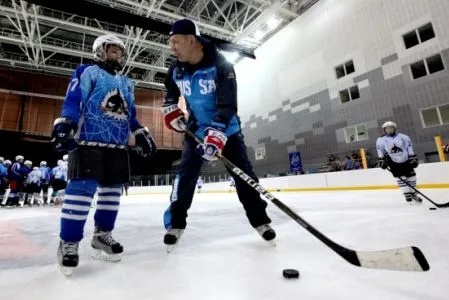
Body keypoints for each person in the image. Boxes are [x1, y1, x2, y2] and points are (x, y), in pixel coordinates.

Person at [161, 19, 275, 249]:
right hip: (195, 130)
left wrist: (216, 134)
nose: (171, 47)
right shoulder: (176, 69)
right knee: (186, 177)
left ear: (191, 40)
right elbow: (170, 93)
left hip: (227, 129)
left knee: (244, 177)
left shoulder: (221, 65)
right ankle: (176, 223)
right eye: (170, 42)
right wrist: (171, 108)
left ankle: (260, 221)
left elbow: (227, 105)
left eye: (175, 42)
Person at [51, 34, 157, 274]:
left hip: (117, 147)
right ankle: (68, 242)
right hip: (88, 142)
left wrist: (139, 132)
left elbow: (130, 114)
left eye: (120, 52)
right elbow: (74, 100)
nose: (117, 55)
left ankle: (102, 235)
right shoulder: (87, 72)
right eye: (113, 50)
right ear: (100, 51)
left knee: (111, 193)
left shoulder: (128, 83)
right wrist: (65, 123)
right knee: (81, 191)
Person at [376, 121, 422, 203]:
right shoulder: (381, 140)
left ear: (394, 128)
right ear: (384, 130)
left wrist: (412, 157)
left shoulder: (403, 137)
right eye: (387, 128)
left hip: (406, 159)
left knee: (412, 176)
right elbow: (380, 151)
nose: (389, 129)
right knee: (401, 177)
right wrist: (381, 160)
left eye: (391, 127)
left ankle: (412, 193)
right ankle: (406, 194)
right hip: (392, 161)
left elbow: (409, 147)